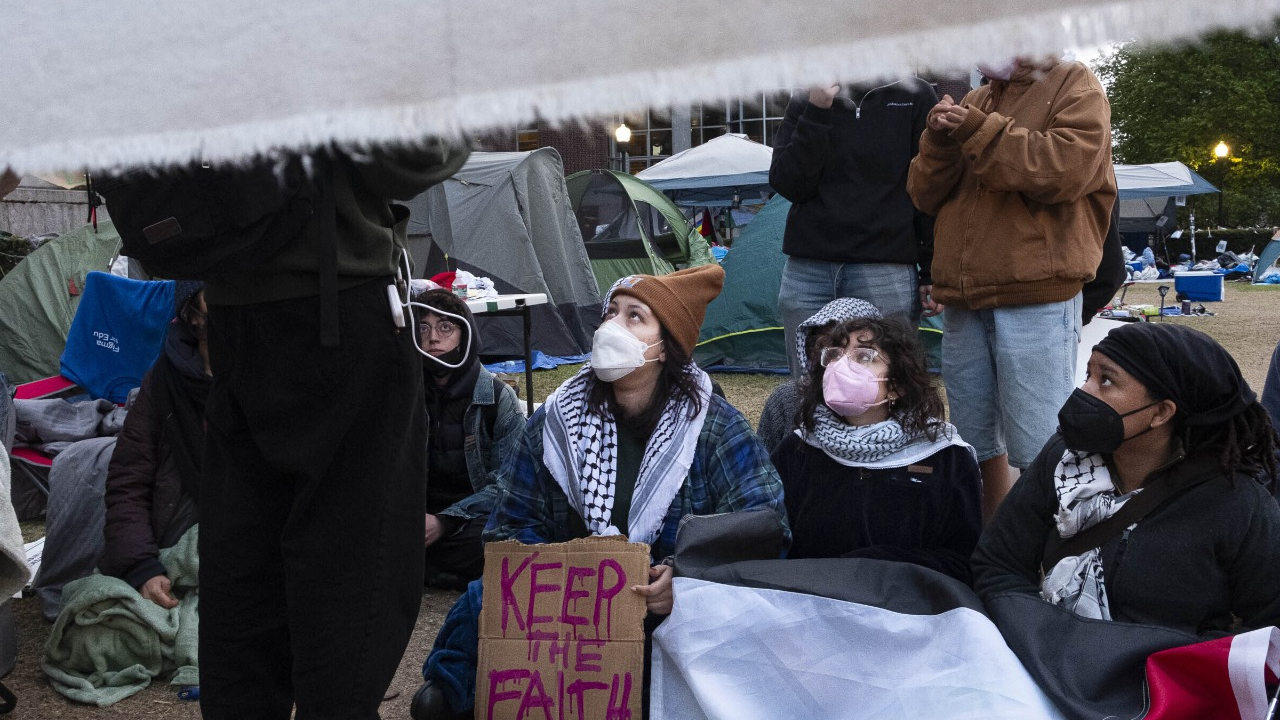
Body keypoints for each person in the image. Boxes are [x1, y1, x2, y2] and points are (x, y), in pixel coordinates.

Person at [412, 263, 788, 719]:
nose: (612, 325)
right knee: (481, 599)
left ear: (666, 346)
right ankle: (453, 690)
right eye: (610, 312)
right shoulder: (555, 423)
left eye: (635, 316)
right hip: (561, 603)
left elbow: (764, 524)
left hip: (665, 607)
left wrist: (685, 580)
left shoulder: (711, 427)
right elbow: (508, 524)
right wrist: (557, 572)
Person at [199, 141, 468, 720]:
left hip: (228, 309)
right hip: (339, 302)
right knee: (356, 567)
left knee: (243, 572)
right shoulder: (331, 47)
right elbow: (409, 157)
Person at [906, 56, 1116, 521]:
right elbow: (924, 194)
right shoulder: (979, 97)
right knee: (975, 439)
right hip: (966, 298)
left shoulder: (1076, 84)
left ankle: (1047, 552)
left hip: (1037, 293)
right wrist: (938, 142)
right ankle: (993, 542)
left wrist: (979, 130)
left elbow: (1064, 170)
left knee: (1040, 440)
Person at [972, 322, 1280, 634]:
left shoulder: (1237, 504)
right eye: (1087, 375)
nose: (1084, 392)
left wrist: (1179, 663)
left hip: (1157, 678)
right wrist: (1039, 636)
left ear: (1161, 412)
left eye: (1105, 381)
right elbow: (998, 563)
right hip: (1043, 661)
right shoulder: (1062, 458)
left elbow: (1269, 629)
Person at [31, 283, 210, 620]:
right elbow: (129, 479)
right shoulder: (164, 381)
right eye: (215, 292)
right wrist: (142, 566)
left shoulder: (267, 376)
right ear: (193, 316)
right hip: (184, 525)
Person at [772, 316, 980, 583]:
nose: (841, 365)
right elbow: (771, 541)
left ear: (897, 386)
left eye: (864, 357)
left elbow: (963, 560)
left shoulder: (945, 458)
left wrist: (875, 567)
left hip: (907, 610)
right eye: (835, 354)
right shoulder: (798, 449)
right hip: (812, 606)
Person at [769, 77, 938, 377]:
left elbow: (928, 190)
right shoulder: (808, 95)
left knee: (887, 382)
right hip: (809, 270)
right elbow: (789, 183)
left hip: (885, 268)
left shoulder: (915, 95)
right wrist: (817, 109)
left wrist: (931, 269)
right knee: (807, 384)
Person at [414, 288, 524, 590]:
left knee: (503, 538)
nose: (434, 338)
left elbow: (508, 483)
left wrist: (445, 521)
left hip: (469, 517)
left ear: (464, 334)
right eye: (423, 327)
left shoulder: (497, 398)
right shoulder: (404, 396)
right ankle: (433, 568)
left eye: (445, 327)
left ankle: (425, 568)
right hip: (415, 516)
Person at [756, 297, 881, 454]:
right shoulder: (787, 400)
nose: (842, 364)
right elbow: (761, 468)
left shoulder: (903, 421)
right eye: (832, 352)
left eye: (862, 355)